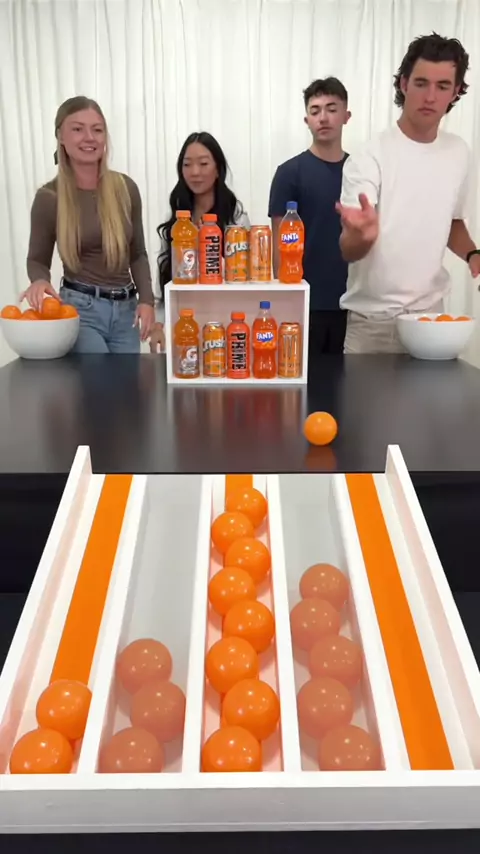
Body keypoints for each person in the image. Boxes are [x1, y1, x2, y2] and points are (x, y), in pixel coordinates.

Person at [336, 33, 480, 354]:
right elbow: (349, 248)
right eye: (421, 83)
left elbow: (452, 222)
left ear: (456, 91)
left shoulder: (459, 152)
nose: (430, 96)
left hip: (432, 320)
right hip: (373, 325)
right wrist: (362, 234)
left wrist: (473, 254)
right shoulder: (370, 155)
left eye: (442, 86)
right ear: (404, 84)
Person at [23, 96, 155, 353]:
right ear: (60, 136)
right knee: (98, 377)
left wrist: (147, 301)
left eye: (97, 129)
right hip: (81, 309)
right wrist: (39, 281)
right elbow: (37, 259)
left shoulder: (126, 188)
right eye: (77, 129)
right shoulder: (49, 197)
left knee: (126, 380)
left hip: (126, 312)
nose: (89, 137)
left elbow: (137, 253)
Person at [268, 78, 351, 359]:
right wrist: (284, 300)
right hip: (304, 302)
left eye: (332, 109)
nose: (323, 118)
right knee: (304, 382)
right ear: (307, 120)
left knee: (349, 383)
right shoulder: (289, 172)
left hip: (353, 304)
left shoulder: (359, 171)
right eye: (315, 111)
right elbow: (279, 245)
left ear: (346, 116)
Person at [157, 131, 249, 296]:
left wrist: (206, 246)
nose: (195, 172)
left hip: (225, 304)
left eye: (203, 163)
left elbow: (244, 276)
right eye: (187, 164)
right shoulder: (176, 216)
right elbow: (165, 270)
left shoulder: (236, 217)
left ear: (218, 169)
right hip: (182, 305)